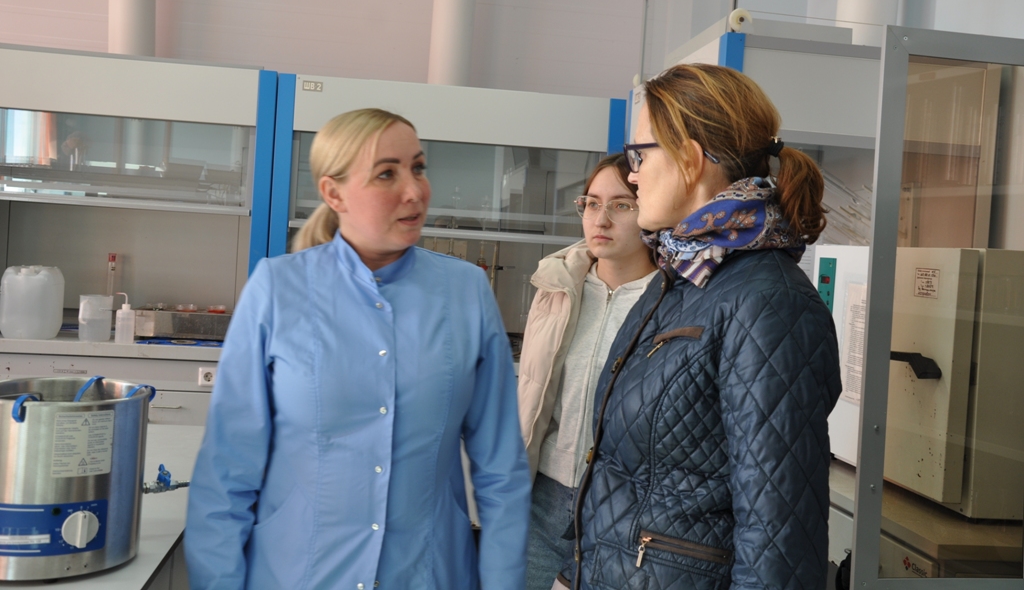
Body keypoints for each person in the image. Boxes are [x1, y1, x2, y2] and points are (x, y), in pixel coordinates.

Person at [185, 108, 531, 590]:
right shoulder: (278, 288)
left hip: (426, 573)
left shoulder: (466, 292)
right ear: (334, 193)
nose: (414, 191)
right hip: (296, 574)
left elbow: (502, 471)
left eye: (418, 168)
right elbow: (226, 472)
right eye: (387, 173)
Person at [560, 64, 842, 590]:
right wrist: (573, 572)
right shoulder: (684, 275)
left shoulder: (770, 303)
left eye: (640, 156)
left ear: (689, 159)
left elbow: (778, 545)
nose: (633, 174)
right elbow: (632, 479)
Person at [517, 153, 658, 590]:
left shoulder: (673, 299)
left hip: (625, 507)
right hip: (544, 497)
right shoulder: (557, 286)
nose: (601, 218)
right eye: (592, 203)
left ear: (650, 209)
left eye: (621, 205)